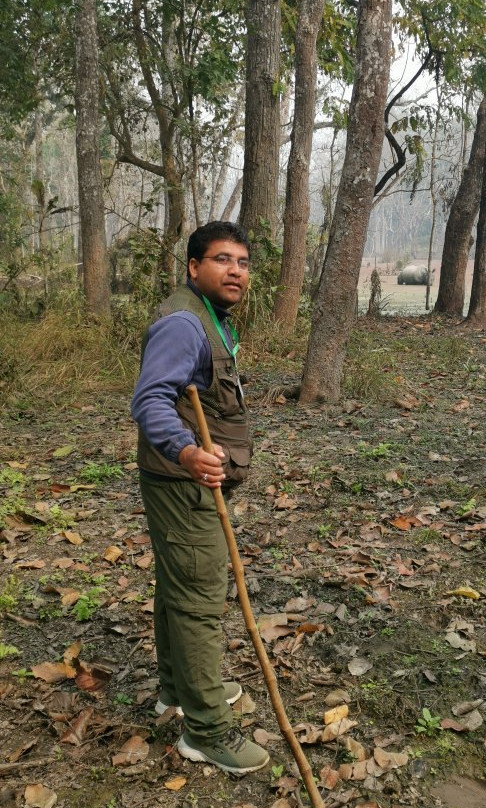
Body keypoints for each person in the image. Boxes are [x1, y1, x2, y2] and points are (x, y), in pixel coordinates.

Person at [131, 221, 269, 775]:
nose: (236, 271)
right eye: (222, 260)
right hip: (183, 484)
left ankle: (177, 688)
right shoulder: (184, 324)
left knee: (178, 586)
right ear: (193, 267)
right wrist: (188, 452)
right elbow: (150, 399)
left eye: (242, 262)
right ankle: (206, 728)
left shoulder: (209, 315)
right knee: (198, 598)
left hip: (183, 479)